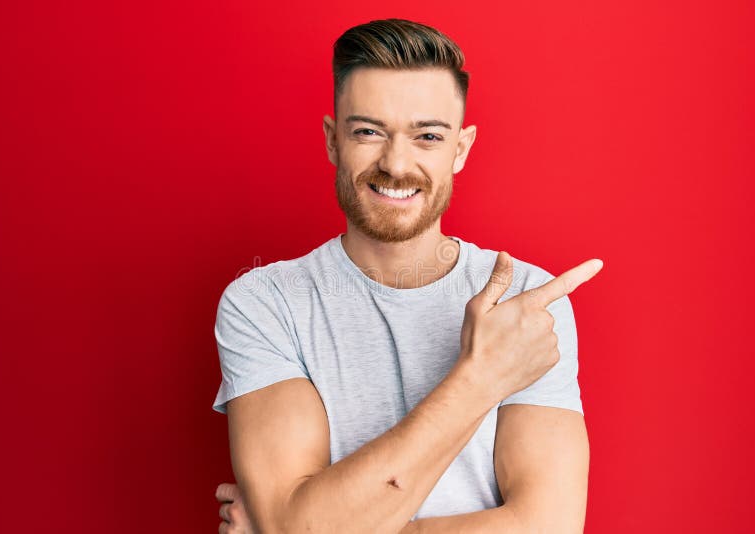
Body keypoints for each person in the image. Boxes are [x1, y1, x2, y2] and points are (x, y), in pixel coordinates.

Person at [212, 18, 602, 534]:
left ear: (460, 149)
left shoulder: (528, 302)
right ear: (333, 141)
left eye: (427, 136)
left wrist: (304, 526)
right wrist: (481, 377)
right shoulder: (264, 303)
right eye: (369, 132)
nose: (396, 163)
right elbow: (299, 526)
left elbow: (549, 527)